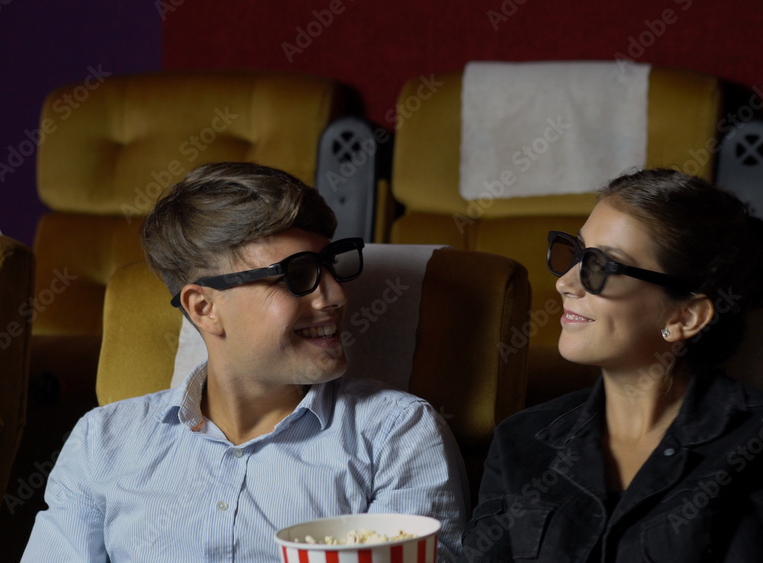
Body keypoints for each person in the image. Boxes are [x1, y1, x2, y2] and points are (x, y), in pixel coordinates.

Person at [23, 162, 468, 562]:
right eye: (297, 276)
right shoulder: (102, 442)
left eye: (329, 267)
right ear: (203, 309)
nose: (335, 296)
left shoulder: (396, 435)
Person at [461, 168, 763, 562]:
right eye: (577, 254)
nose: (566, 282)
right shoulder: (521, 439)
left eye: (602, 267)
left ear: (684, 317)